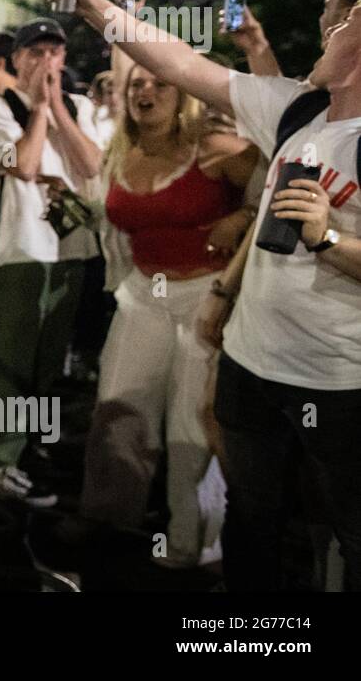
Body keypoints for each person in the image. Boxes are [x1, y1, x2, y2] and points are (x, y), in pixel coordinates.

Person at [72, 0, 361, 590]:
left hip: (337, 379)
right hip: (253, 364)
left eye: (335, 15)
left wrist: (329, 238)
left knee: (345, 527)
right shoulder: (298, 109)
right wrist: (97, 8)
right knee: (251, 517)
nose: (323, 25)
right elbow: (179, 62)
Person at [75, 62, 258, 567]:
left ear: (184, 96)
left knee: (190, 423)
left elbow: (276, 185)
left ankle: (194, 541)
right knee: (118, 407)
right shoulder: (118, 151)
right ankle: (109, 524)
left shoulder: (213, 148)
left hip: (206, 291)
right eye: (137, 84)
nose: (147, 91)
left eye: (159, 83)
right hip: (141, 293)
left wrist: (241, 215)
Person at [0, 19, 102, 505]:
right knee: (10, 362)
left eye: (54, 51)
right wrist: (41, 108)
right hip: (20, 250)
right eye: (35, 52)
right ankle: (0, 460)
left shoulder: (82, 107)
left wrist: (60, 112)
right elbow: (23, 166)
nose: (46, 61)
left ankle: (31, 446)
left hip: (71, 248)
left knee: (48, 363)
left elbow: (92, 166)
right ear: (17, 60)